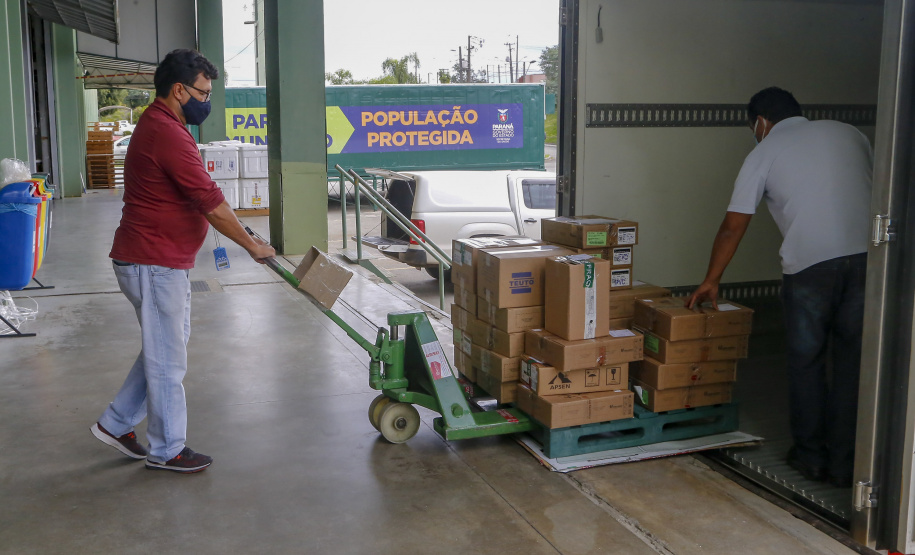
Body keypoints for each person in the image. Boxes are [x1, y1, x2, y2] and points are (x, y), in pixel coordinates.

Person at [91, 49, 275, 473]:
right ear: (179, 90)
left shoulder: (163, 126)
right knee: (168, 359)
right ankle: (167, 450)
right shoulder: (167, 133)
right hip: (152, 261)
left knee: (164, 348)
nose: (207, 102)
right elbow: (210, 201)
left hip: (157, 260)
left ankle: (116, 423)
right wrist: (251, 244)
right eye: (203, 92)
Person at [686, 87, 872, 488]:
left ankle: (810, 458)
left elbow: (733, 225)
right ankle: (845, 463)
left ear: (761, 122)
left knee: (806, 362)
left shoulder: (765, 151)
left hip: (811, 268)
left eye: (752, 128)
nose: (754, 134)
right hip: (868, 261)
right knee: (851, 363)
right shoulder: (851, 134)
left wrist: (711, 279)